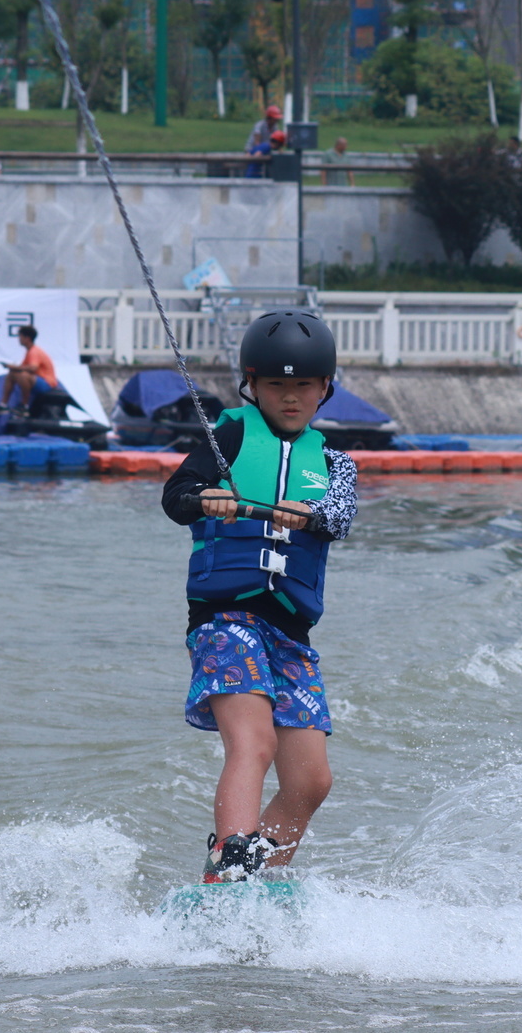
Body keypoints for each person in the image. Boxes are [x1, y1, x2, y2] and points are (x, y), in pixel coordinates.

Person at [160, 311, 356, 884]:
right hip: (226, 618)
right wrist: (207, 497)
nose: (289, 397)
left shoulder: (337, 465)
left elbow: (340, 518)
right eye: (276, 385)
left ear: (325, 389)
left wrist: (314, 515)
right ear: (252, 386)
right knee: (255, 741)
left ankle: (244, 879)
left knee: (311, 781)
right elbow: (176, 497)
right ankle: (231, 855)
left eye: (303, 386)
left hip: (291, 632)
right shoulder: (231, 436)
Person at [0, 324, 58, 414]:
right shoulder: (29, 351)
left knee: (23, 375)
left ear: (27, 338)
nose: (19, 339)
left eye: (20, 336)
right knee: (12, 373)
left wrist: (13, 366)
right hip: (38, 380)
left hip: (47, 383)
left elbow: (33, 368)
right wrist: (13, 368)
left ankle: (24, 405)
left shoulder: (34, 351)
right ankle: (3, 404)